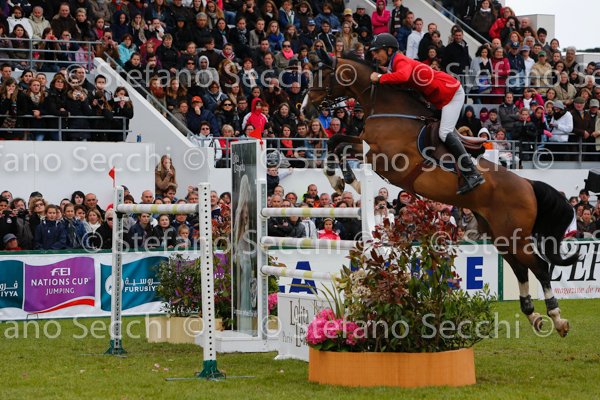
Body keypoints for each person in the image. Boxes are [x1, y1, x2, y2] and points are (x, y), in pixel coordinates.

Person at [369, 33, 484, 195]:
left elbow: (403, 76)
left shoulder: (400, 60)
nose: (374, 55)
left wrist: (380, 77)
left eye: (377, 51)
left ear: (389, 50)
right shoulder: (394, 64)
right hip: (440, 97)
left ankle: (472, 172)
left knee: (444, 133)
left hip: (451, 94)